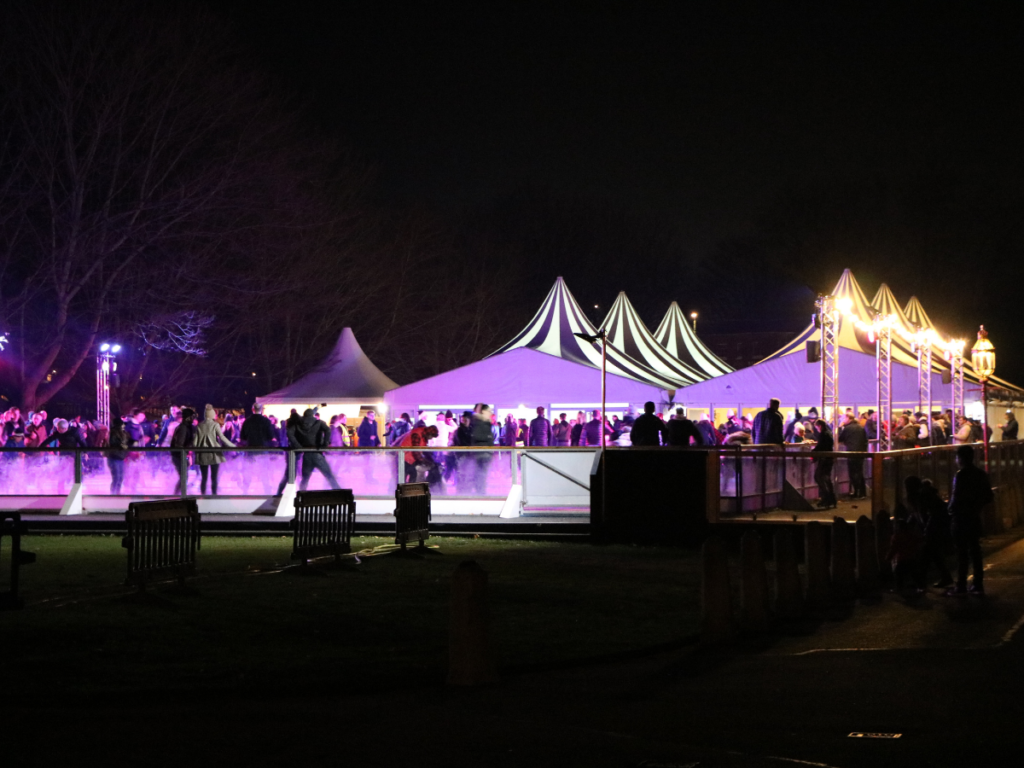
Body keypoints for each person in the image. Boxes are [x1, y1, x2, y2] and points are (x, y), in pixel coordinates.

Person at [946, 445, 993, 596]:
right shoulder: (980, 474)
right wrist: (976, 506)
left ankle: (961, 585)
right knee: (975, 550)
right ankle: (977, 584)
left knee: (962, 553)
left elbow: (956, 497)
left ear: (960, 458)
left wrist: (951, 510)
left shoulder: (961, 475)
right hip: (974, 516)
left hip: (960, 517)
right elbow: (988, 496)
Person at [289, 408, 341, 491]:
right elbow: (327, 430)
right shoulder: (318, 422)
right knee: (329, 475)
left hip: (307, 454)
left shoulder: (298, 424)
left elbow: (289, 433)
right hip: (317, 453)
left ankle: (301, 495)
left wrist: (297, 445)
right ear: (312, 415)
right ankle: (339, 492)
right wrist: (325, 443)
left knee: (305, 478)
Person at [193, 404, 235, 495]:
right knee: (214, 477)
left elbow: (195, 442)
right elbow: (222, 438)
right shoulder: (215, 425)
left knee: (204, 477)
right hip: (214, 454)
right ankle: (214, 495)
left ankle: (203, 494)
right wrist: (232, 446)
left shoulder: (200, 425)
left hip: (202, 453)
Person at [838, 412, 868, 498]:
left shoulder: (847, 428)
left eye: (844, 418)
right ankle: (862, 492)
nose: (843, 420)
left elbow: (839, 438)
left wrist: (840, 427)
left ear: (848, 418)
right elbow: (865, 440)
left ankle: (856, 491)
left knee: (853, 473)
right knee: (860, 472)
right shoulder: (860, 427)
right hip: (861, 453)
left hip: (851, 452)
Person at [470, 403, 495, 494]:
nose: (491, 413)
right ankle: (481, 492)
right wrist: (488, 439)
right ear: (483, 411)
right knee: (481, 474)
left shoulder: (485, 422)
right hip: (482, 453)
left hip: (485, 452)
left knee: (481, 474)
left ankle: (481, 492)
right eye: (489, 411)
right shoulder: (480, 422)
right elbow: (477, 436)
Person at [169, 408, 197, 491]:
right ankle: (178, 493)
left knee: (184, 475)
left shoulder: (186, 427)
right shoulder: (182, 428)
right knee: (184, 476)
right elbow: (180, 443)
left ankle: (178, 492)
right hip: (178, 454)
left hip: (180, 454)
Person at [811, 419, 836, 509]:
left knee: (819, 477)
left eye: (817, 427)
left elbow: (820, 446)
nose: (817, 429)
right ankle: (831, 499)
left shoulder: (823, 434)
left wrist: (812, 452)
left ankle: (826, 498)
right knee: (826, 478)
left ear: (820, 426)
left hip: (824, 459)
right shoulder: (828, 433)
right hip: (829, 458)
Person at [107, 415, 132, 494]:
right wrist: (125, 446)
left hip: (120, 457)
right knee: (117, 477)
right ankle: (114, 493)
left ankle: (116, 492)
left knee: (120, 477)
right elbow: (115, 443)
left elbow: (128, 442)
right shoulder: (113, 432)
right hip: (114, 457)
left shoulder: (123, 433)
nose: (123, 425)